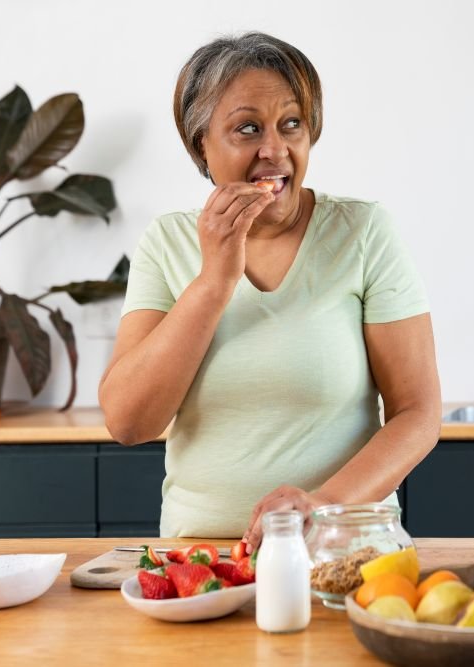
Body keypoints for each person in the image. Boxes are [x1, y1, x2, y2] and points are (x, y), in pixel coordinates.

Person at [99, 32, 441, 552]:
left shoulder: (363, 232)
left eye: (292, 125)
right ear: (201, 146)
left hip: (342, 548)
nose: (274, 150)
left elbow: (418, 414)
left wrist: (320, 506)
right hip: (201, 560)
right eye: (248, 129)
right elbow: (129, 421)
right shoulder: (167, 241)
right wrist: (214, 282)